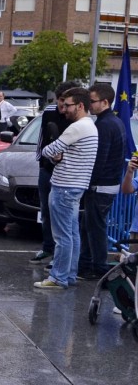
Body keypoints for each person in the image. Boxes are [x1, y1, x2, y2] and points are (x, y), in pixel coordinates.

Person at [35, 88, 99, 289]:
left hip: (64, 186)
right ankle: (69, 274)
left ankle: (58, 277)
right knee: (72, 234)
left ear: (80, 106)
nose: (63, 110)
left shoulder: (77, 128)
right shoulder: (90, 126)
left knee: (62, 236)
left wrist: (54, 152)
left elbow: (48, 149)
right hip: (76, 185)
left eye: (68, 105)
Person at [78, 83, 126, 280]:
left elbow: (99, 160)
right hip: (108, 184)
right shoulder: (115, 122)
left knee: (95, 228)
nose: (89, 105)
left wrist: (87, 183)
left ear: (105, 102)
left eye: (92, 101)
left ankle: (98, 268)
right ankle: (87, 264)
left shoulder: (104, 125)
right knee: (89, 226)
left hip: (101, 186)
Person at [31, 81, 78, 264]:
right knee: (46, 209)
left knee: (64, 215)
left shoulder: (76, 116)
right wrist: (41, 161)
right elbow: (42, 138)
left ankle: (61, 256)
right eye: (60, 101)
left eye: (66, 102)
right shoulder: (50, 111)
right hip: (47, 168)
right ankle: (47, 247)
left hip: (66, 170)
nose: (62, 106)